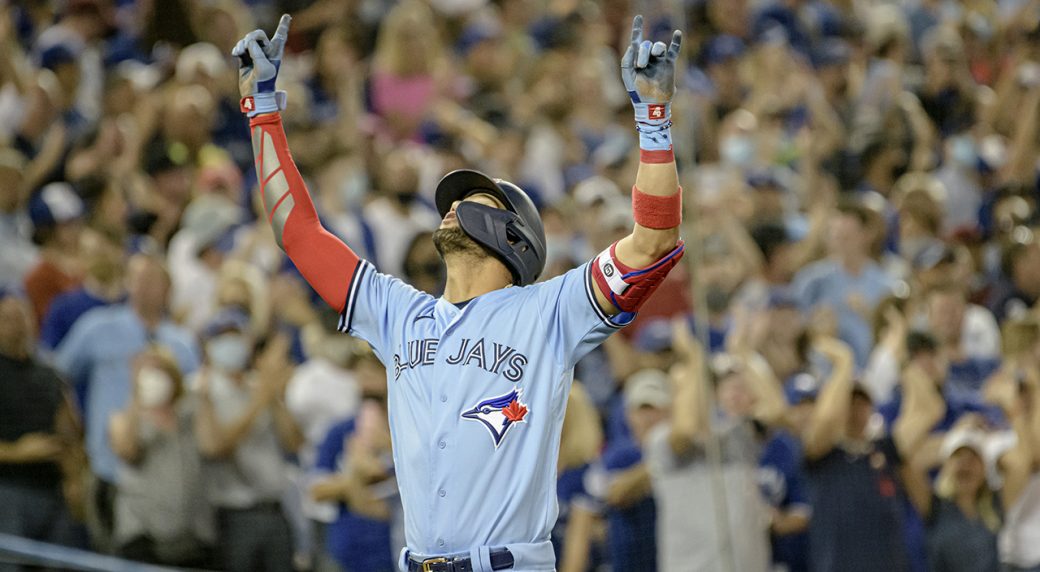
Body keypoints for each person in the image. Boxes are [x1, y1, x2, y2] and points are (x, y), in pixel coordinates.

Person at [232, 13, 686, 571]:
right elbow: (298, 233)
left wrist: (654, 120)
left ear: (514, 237)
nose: (451, 204)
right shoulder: (398, 313)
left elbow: (653, 242)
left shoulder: (551, 310)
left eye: (476, 200)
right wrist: (262, 110)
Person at [55, 253, 199, 548]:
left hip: (164, 473)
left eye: (152, 280)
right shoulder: (97, 327)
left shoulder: (182, 343)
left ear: (167, 288)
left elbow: (192, 402)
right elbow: (58, 378)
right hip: (108, 466)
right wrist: (75, 433)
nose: (143, 287)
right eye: (137, 279)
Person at [192, 310, 303, 572]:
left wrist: (273, 396)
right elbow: (213, 447)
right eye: (221, 338)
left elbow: (294, 442)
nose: (230, 345)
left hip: (276, 509)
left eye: (236, 337)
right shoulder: (202, 389)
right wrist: (258, 403)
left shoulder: (258, 385)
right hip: (235, 515)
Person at [108, 346, 214, 567]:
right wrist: (136, 399)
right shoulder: (123, 419)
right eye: (147, 372)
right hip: (142, 537)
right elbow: (127, 449)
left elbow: (212, 447)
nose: (154, 378)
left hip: (191, 535)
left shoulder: (189, 416)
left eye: (160, 371)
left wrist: (204, 396)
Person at [0, 290, 85, 559]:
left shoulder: (49, 374)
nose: (18, 324)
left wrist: (74, 479)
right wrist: (18, 452)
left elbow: (69, 432)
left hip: (52, 490)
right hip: (8, 488)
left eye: (24, 315)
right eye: (8, 318)